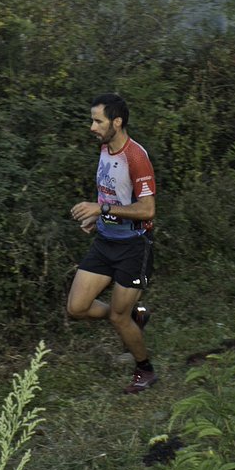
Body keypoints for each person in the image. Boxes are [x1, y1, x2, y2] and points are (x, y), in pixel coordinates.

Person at [67, 93, 159, 394]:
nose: (92, 126)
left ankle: (144, 370)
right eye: (92, 120)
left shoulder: (136, 157)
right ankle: (133, 319)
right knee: (77, 308)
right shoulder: (105, 149)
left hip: (134, 246)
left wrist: (101, 209)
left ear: (116, 122)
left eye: (98, 121)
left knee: (118, 317)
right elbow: (112, 195)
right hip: (105, 241)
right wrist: (96, 216)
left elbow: (147, 210)